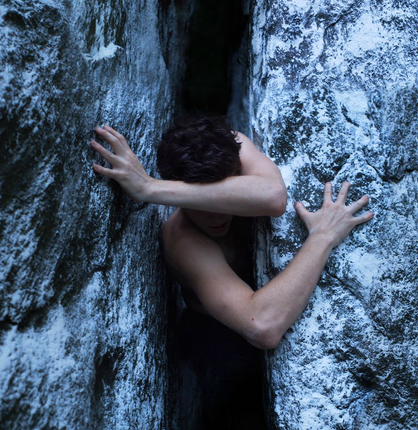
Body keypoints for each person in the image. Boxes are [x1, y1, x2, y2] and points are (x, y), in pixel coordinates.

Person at [91, 115, 374, 350]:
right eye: (200, 203)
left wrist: (150, 188)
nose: (216, 214)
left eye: (219, 197)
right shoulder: (184, 241)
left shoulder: (229, 145)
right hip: (218, 337)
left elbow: (274, 197)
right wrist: (323, 236)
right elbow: (262, 326)